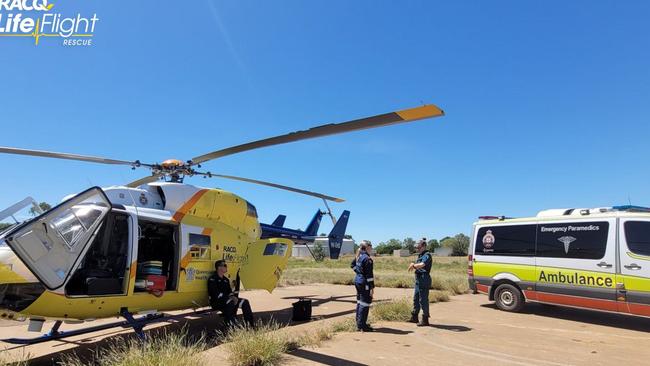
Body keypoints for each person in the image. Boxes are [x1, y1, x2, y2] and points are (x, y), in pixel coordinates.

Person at [208, 260, 255, 327]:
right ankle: (231, 327)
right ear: (219, 268)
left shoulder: (226, 280)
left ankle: (250, 325)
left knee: (245, 302)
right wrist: (230, 298)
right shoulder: (212, 279)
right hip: (216, 302)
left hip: (227, 300)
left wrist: (233, 297)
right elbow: (215, 294)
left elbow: (229, 292)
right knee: (230, 302)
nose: (226, 267)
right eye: (225, 265)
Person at [407, 238, 432, 326]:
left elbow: (422, 265)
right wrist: (413, 264)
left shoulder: (427, 255)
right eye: (417, 248)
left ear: (424, 246)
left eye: (419, 247)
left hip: (424, 279)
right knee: (416, 298)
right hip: (418, 279)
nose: (417, 249)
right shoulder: (420, 255)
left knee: (423, 300)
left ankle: (425, 319)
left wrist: (413, 265)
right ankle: (414, 317)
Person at [351, 240, 374, 332]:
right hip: (364, 283)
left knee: (360, 302)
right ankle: (362, 325)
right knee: (365, 303)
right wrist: (372, 287)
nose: (371, 248)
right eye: (371, 246)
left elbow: (352, 265)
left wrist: (359, 273)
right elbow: (369, 276)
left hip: (358, 281)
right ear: (367, 247)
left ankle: (359, 322)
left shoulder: (359, 256)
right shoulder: (367, 259)